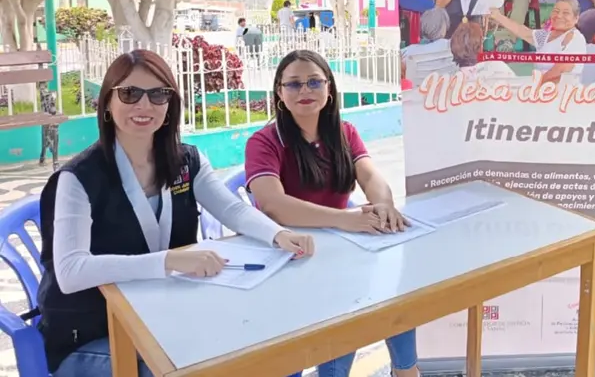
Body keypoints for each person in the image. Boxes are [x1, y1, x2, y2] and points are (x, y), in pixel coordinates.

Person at [36, 49, 314, 377]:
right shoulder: (79, 178)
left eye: (158, 95)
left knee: (270, 349)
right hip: (92, 335)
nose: (144, 105)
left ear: (170, 106)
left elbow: (232, 209)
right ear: (108, 104)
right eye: (129, 93)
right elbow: (71, 271)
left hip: (164, 318)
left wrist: (279, 234)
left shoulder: (185, 161)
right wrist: (169, 261)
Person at [243, 49, 420, 377]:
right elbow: (273, 205)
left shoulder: (344, 131)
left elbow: (369, 176)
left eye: (314, 82)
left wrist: (383, 204)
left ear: (330, 89)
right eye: (293, 84)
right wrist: (347, 219)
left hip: (337, 249)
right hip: (285, 258)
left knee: (397, 290)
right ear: (279, 93)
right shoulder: (264, 141)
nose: (305, 91)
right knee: (294, 352)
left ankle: (407, 371)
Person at [489, 0, 586, 85]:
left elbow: (562, 68)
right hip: (542, 89)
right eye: (556, 11)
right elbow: (523, 31)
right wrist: (497, 16)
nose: (559, 16)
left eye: (566, 13)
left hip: (562, 93)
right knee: (495, 68)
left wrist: (535, 87)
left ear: (576, 18)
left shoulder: (576, 38)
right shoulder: (546, 36)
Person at [401, 7, 458, 86]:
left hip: (416, 94)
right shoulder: (453, 46)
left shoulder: (407, 52)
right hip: (445, 93)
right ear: (443, 27)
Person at [38, 81, 59, 170]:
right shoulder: (44, 93)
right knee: (50, 127)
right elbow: (43, 92)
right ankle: (54, 160)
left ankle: (53, 159)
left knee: (53, 126)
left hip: (49, 113)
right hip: (47, 113)